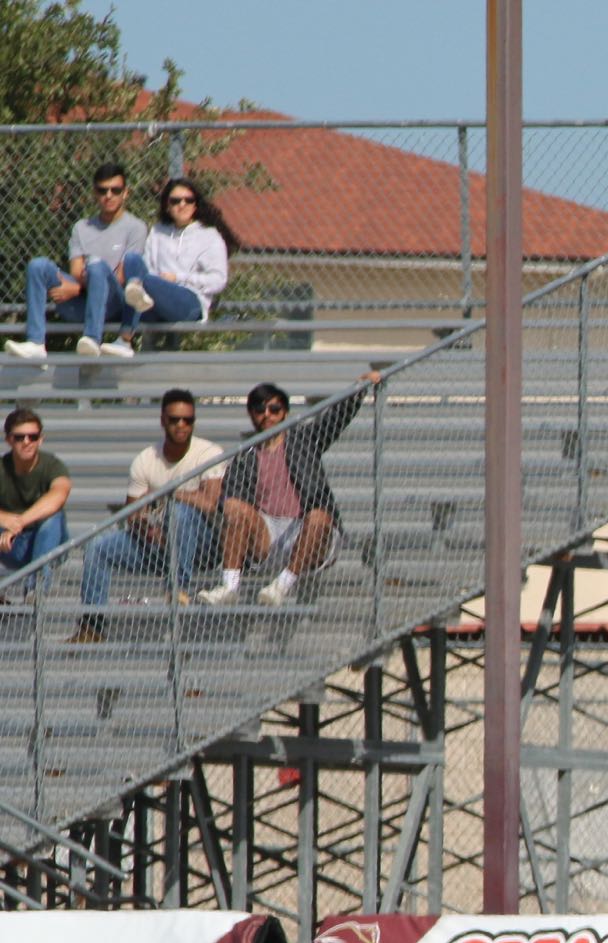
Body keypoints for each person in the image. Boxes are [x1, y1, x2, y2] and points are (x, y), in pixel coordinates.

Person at [204, 373, 384, 605]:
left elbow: (335, 419)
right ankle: (228, 587)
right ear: (251, 415)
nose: (267, 414)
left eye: (274, 408)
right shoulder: (243, 456)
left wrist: (360, 388)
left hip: (307, 530)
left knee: (319, 516)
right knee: (234, 507)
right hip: (267, 532)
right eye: (260, 409)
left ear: (285, 413)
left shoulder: (304, 440)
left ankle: (282, 586)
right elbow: (230, 503)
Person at [71, 389, 227, 642]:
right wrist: (148, 531)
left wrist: (165, 493)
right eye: (175, 419)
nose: (181, 425)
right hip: (159, 544)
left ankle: (178, 592)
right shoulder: (145, 459)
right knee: (97, 547)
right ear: (163, 420)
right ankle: (92, 626)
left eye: (188, 420)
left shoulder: (208, 453)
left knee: (179, 513)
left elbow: (209, 504)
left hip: (204, 546)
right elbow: (132, 513)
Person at [6, 163, 147, 361]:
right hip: (81, 303)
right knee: (38, 266)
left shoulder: (136, 227)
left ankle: (92, 338)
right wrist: (79, 288)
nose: (109, 195)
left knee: (96, 265)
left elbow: (123, 278)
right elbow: (75, 271)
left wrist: (78, 288)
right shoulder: (82, 227)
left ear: (125, 193)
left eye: (115, 190)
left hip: (114, 303)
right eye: (102, 190)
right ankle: (36, 342)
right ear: (94, 193)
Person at [122, 177, 235, 336]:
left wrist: (178, 278)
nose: (182, 205)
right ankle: (121, 339)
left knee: (140, 281)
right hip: (154, 298)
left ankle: (125, 336)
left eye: (188, 200)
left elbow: (218, 280)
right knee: (131, 259)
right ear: (167, 206)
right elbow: (148, 264)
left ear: (195, 205)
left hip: (190, 302)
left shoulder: (209, 236)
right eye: (175, 201)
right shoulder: (158, 232)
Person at [0, 407, 72, 590]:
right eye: (19, 437)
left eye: (32, 437)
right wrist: (4, 519)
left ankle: (35, 592)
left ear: (41, 439)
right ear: (8, 439)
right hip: (12, 544)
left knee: (53, 517)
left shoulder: (53, 465)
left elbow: (59, 494)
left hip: (52, 543)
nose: (27, 442)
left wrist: (20, 522)